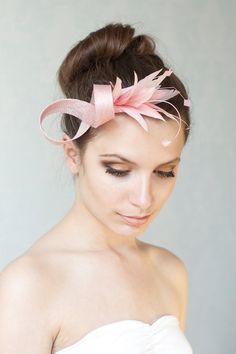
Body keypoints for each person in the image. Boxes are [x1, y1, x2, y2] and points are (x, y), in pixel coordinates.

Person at [0, 23, 193, 354]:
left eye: (164, 172)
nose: (144, 199)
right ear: (73, 155)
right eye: (118, 170)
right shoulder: (28, 286)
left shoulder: (170, 271)